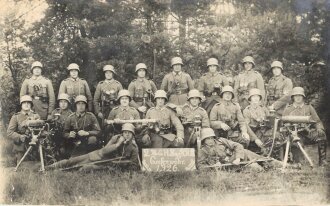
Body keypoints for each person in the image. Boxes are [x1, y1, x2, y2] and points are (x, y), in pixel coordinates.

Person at [47, 123, 140, 170]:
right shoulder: (116, 138)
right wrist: (117, 144)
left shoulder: (133, 147)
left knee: (81, 169)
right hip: (96, 156)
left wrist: (121, 166)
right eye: (125, 132)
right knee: (71, 161)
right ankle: (51, 167)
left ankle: (59, 171)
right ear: (122, 133)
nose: (127, 135)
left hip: (106, 165)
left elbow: (133, 165)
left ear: (132, 134)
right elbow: (104, 151)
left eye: (129, 133)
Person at [197, 128, 283, 170]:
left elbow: (237, 145)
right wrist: (213, 167)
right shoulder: (203, 151)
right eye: (208, 139)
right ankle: (269, 167)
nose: (211, 140)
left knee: (262, 159)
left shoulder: (221, 140)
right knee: (256, 169)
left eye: (212, 138)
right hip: (230, 167)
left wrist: (238, 158)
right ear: (203, 140)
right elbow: (200, 166)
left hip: (239, 157)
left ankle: (283, 165)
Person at [282, 87, 327, 166]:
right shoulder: (288, 109)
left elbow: (317, 121)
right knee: (299, 163)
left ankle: (322, 161)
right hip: (296, 135)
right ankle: (297, 161)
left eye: (300, 95)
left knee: (321, 134)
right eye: (296, 96)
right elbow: (284, 124)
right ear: (293, 97)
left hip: (308, 133)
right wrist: (290, 130)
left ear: (303, 97)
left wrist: (319, 128)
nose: (298, 98)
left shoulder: (308, 107)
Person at [243, 89, 284, 156]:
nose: (256, 98)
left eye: (257, 96)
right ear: (250, 98)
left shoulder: (263, 108)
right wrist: (255, 139)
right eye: (253, 96)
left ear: (260, 98)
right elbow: (247, 128)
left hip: (265, 132)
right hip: (254, 134)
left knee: (277, 135)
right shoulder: (247, 111)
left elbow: (270, 122)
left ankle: (275, 155)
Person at [7, 95, 41, 164]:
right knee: (22, 165)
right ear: (21, 104)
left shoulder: (36, 116)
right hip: (21, 145)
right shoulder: (16, 117)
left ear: (31, 105)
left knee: (37, 163)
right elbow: (9, 132)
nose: (26, 104)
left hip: (34, 144)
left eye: (28, 103)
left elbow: (40, 130)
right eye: (24, 102)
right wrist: (20, 137)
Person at [50, 93, 73, 158]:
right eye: (61, 102)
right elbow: (51, 123)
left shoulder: (71, 114)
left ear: (68, 103)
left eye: (65, 102)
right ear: (58, 103)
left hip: (66, 136)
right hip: (56, 136)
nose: (63, 104)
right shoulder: (55, 112)